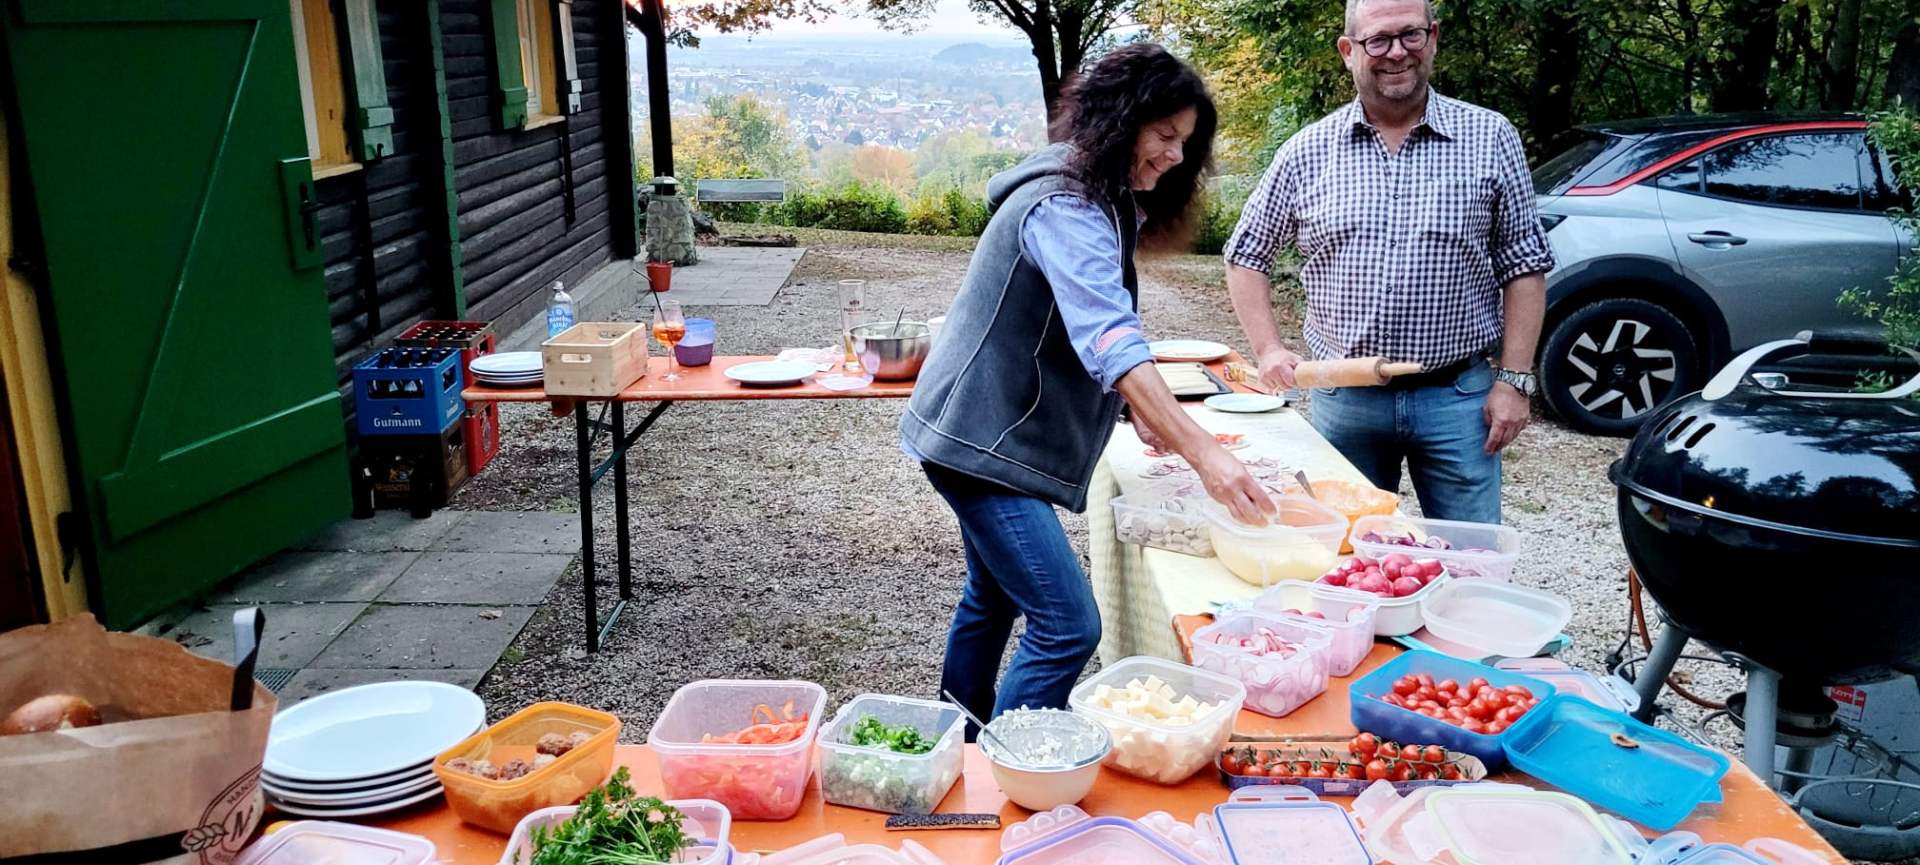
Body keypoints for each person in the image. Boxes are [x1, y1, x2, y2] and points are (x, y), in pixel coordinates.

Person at [900, 44, 1274, 728]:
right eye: (1164, 135)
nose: (1174, 156)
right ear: (1119, 121)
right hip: (979, 444)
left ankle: (956, 744)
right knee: (1068, 625)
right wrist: (1204, 453)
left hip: (969, 427)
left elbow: (1074, 329)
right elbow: (1108, 336)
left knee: (991, 596)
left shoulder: (1100, 195)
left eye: (1185, 142)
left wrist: (1140, 411)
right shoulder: (1065, 206)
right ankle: (1008, 767)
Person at [1221, 0, 1555, 524]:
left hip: (1458, 399)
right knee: (1342, 550)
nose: (1396, 52)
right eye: (1378, 40)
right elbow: (1246, 254)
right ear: (1348, 50)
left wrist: (1514, 381)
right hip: (1344, 398)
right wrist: (1267, 350)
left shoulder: (1490, 137)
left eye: (1410, 35)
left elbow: (1525, 265)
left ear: (1433, 38)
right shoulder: (1307, 151)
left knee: (1468, 554)